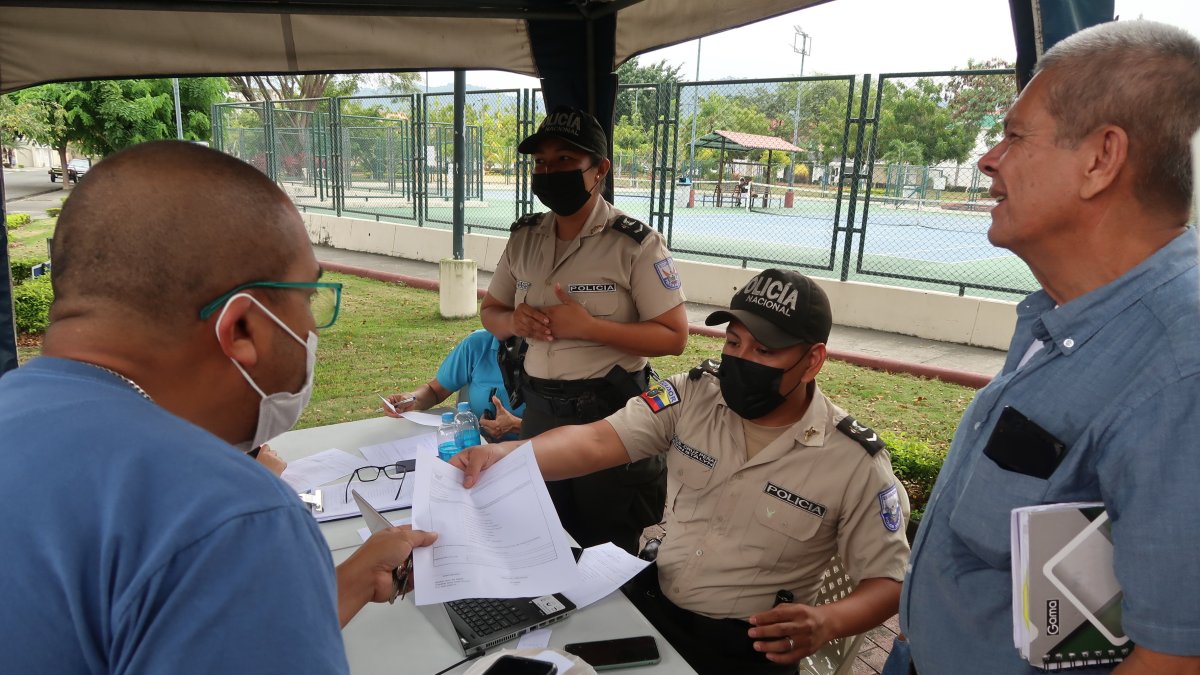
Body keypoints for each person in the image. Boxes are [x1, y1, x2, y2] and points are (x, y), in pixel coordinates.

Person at [0, 141, 437, 673]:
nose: (313, 328)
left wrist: (347, 581)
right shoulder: (233, 518)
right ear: (244, 327)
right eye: (308, 298)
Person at [897, 21, 1200, 675]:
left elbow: (1171, 659)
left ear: (1099, 159)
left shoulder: (1182, 371)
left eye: (1013, 135)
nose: (987, 159)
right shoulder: (1067, 313)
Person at [459, 268, 910, 675]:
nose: (741, 359)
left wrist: (829, 621)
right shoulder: (695, 396)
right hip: (655, 603)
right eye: (734, 343)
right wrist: (505, 456)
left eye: (764, 350)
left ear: (812, 360)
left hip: (750, 646)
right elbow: (596, 440)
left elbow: (888, 581)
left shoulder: (853, 461)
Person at [479, 105, 689, 553]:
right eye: (541, 162)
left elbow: (674, 336)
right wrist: (513, 321)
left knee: (604, 546)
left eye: (566, 161)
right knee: (540, 535)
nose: (550, 171)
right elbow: (491, 310)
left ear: (600, 170)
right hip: (538, 411)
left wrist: (593, 327)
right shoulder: (524, 238)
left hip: (609, 414)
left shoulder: (635, 244)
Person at [382, 328, 525, 441]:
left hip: (535, 455)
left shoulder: (545, 356)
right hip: (477, 448)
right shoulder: (477, 344)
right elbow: (435, 390)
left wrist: (517, 426)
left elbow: (548, 433)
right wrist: (412, 399)